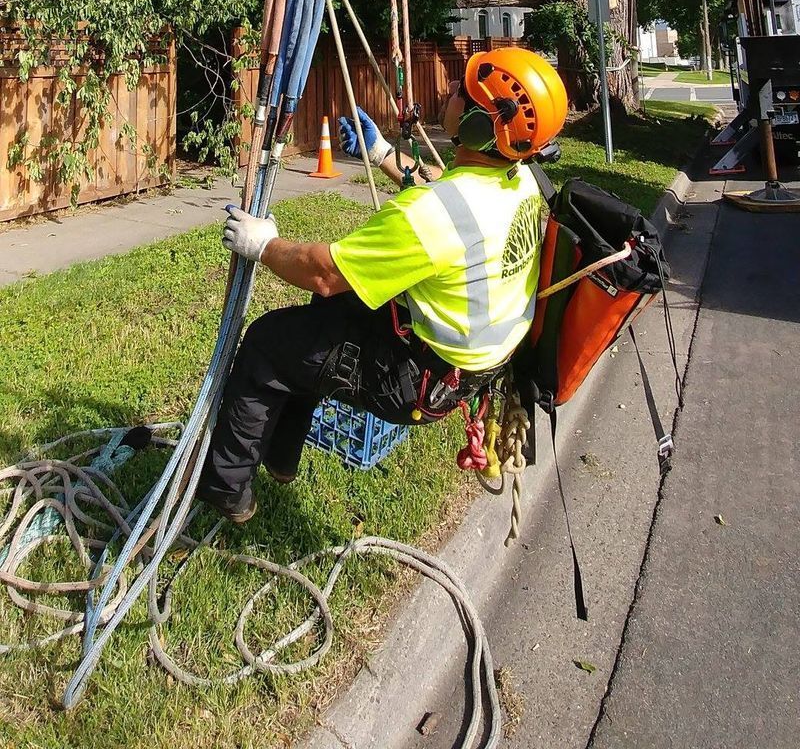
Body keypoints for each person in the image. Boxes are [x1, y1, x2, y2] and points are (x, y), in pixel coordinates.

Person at [197, 47, 568, 524]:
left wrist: (263, 244)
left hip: (413, 380)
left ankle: (226, 488)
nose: (449, 90)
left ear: (480, 125)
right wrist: (383, 154)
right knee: (320, 321)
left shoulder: (432, 218)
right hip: (464, 367)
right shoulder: (522, 180)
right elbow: (450, 186)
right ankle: (282, 458)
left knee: (268, 343)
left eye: (462, 91)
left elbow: (325, 273)